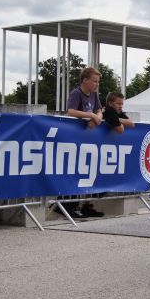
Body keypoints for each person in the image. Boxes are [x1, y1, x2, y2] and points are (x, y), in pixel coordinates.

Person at [60, 67, 104, 218]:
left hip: (87, 139)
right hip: (74, 138)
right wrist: (91, 116)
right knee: (73, 171)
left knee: (88, 171)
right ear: (85, 80)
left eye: (98, 81)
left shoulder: (94, 95)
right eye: (95, 81)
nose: (97, 84)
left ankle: (86, 205)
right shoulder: (76, 93)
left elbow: (99, 110)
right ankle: (68, 205)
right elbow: (71, 111)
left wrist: (97, 117)